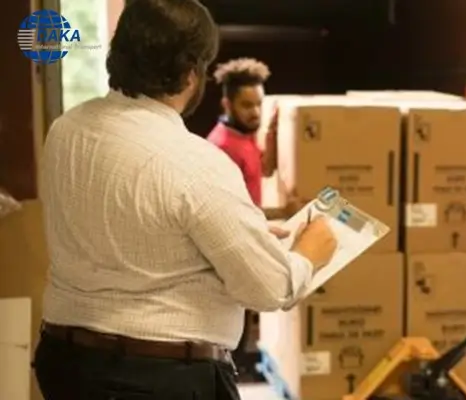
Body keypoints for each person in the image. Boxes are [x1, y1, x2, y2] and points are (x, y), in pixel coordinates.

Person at [32, 1, 337, 399]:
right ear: (192, 72)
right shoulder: (195, 163)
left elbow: (131, 224)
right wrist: (309, 254)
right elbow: (268, 288)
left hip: (66, 365)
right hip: (158, 378)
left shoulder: (66, 130)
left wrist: (251, 231)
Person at [206, 57, 303, 381]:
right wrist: (285, 213)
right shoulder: (221, 146)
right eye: (247, 105)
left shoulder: (245, 137)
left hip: (248, 235)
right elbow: (230, 209)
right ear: (226, 103)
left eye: (259, 104)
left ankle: (236, 370)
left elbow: (262, 169)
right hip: (230, 242)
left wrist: (274, 133)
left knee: (244, 318)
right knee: (231, 324)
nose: (255, 113)